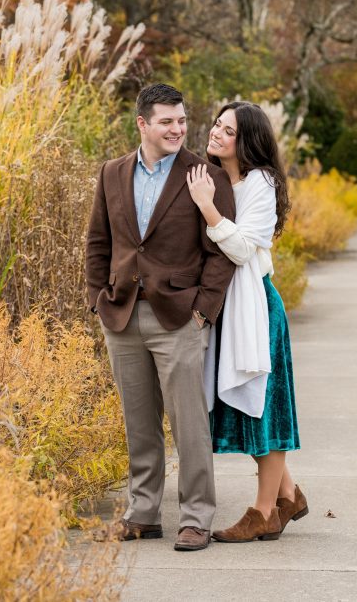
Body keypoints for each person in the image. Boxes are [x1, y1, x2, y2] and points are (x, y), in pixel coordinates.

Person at [86, 84, 237, 551]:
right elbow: (98, 242)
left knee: (189, 420)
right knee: (138, 419)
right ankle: (143, 511)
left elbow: (220, 254)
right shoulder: (112, 173)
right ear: (142, 124)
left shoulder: (205, 175)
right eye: (167, 121)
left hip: (179, 318)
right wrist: (97, 299)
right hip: (123, 314)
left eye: (182, 120)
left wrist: (202, 312)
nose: (177, 129)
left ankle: (196, 517)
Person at [185, 101, 308, 543]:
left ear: (248, 139)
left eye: (228, 129)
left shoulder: (261, 183)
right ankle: (289, 494)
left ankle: (263, 513)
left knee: (265, 406)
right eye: (217, 124)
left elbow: (240, 250)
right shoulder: (214, 177)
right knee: (246, 406)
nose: (216, 132)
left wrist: (208, 209)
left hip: (257, 307)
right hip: (224, 305)